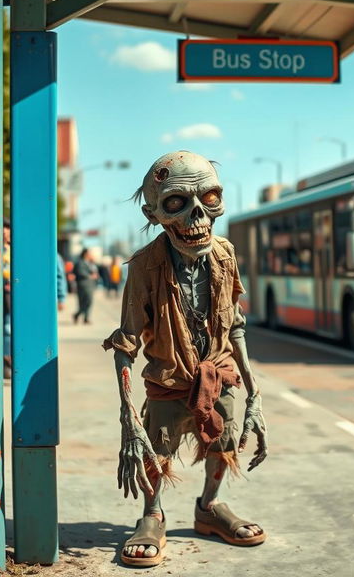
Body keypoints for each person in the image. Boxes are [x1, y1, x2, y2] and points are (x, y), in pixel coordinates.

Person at [103, 151, 267, 567]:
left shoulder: (224, 253)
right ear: (154, 213)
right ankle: (152, 513)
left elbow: (236, 325)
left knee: (225, 443)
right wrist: (128, 416)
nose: (197, 216)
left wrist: (255, 395)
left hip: (219, 374)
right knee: (157, 450)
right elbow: (125, 343)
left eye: (208, 199)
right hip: (168, 380)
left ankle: (209, 507)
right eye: (177, 203)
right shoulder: (144, 266)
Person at [73, 248, 98, 324]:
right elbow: (79, 272)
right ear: (85, 254)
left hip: (90, 285)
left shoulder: (90, 263)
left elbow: (95, 271)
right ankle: (78, 315)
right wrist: (90, 276)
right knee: (84, 302)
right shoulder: (80, 263)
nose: (91, 255)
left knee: (89, 301)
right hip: (83, 285)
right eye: (90, 253)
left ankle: (85, 318)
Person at [2, 218, 12, 379]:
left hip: (12, 297)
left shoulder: (14, 248)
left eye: (6, 229)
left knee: (9, 329)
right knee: (5, 329)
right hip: (0, 295)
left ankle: (8, 361)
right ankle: (6, 361)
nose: (4, 232)